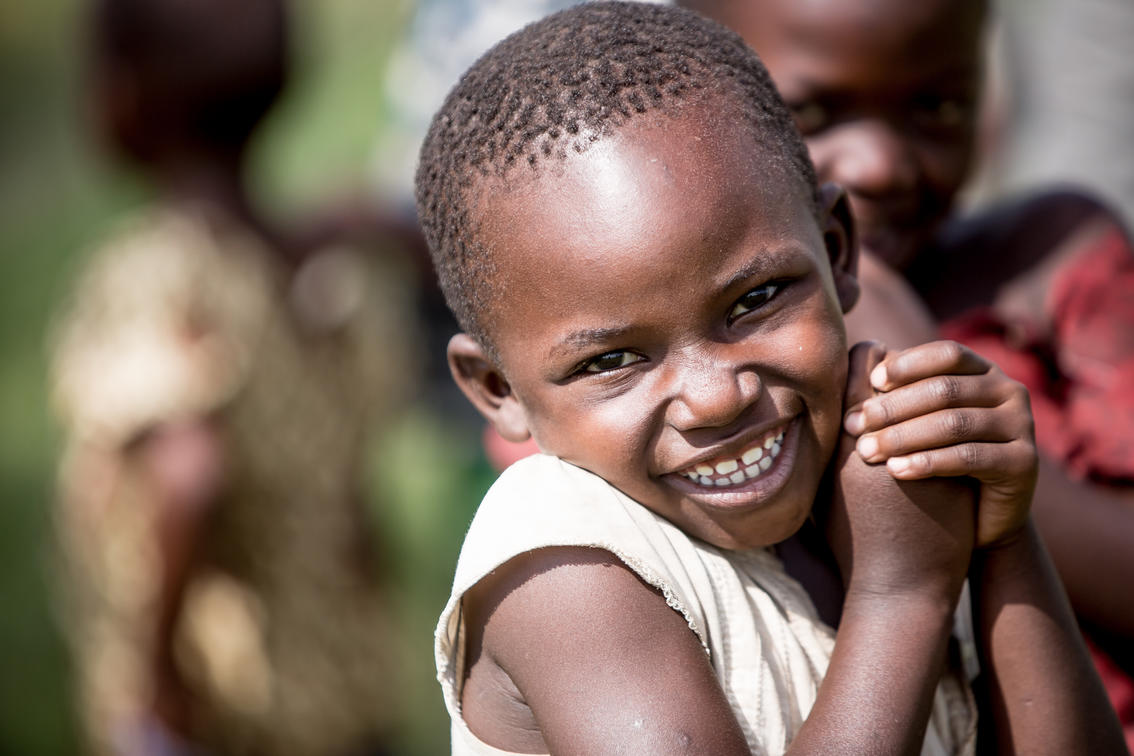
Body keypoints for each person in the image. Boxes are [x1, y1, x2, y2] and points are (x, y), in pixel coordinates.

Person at [415, 4, 1124, 754]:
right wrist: (900, 597)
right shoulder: (562, 568)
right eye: (613, 360)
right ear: (497, 389)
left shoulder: (882, 484)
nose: (718, 398)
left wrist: (1004, 533)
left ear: (837, 250)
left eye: (755, 300)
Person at [677, 0, 1134, 744]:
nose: (879, 165)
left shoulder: (1052, 259)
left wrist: (956, 418)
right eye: (811, 113)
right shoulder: (665, 376)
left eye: (937, 106)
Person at [50, 0, 413, 753]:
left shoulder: (155, 279)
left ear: (122, 98)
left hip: (231, 713)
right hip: (349, 690)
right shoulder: (308, 268)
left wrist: (158, 680)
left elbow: (186, 472)